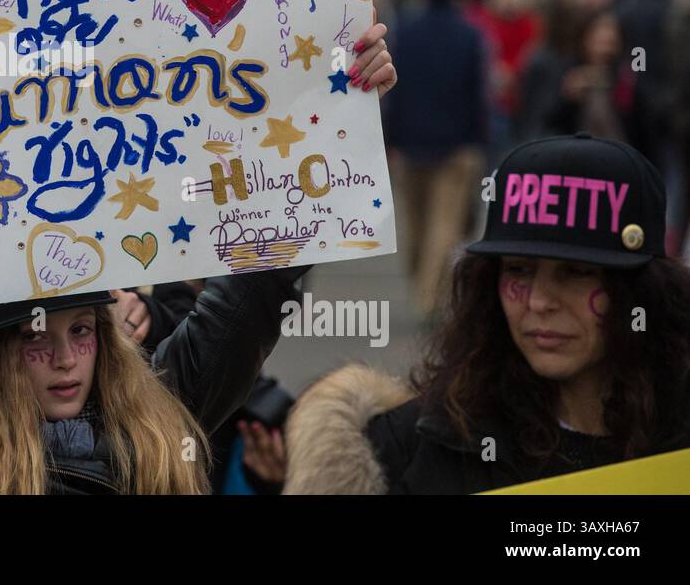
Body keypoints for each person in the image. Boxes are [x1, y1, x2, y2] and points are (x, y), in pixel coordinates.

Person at [0, 17, 398, 494]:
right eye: (37, 340)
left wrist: (336, 106)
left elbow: (253, 297)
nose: (66, 361)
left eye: (83, 331)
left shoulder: (158, 416)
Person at [283, 133, 690, 494]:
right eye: (518, 270)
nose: (538, 302)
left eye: (577, 273)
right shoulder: (411, 450)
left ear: (642, 291)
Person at [384, 0, 490, 317]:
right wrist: (480, 141)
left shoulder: (404, 32)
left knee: (415, 224)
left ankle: (423, 287)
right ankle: (431, 299)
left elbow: (393, 93)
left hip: (411, 142)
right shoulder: (471, 35)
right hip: (456, 145)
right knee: (444, 227)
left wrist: (389, 140)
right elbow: (479, 95)